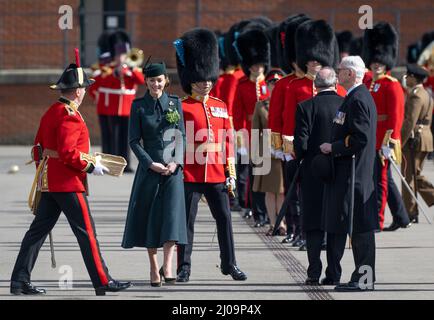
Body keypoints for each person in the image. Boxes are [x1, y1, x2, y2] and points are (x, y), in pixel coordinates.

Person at [10, 55, 131, 296]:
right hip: (68, 184)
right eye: (84, 88)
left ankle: (19, 280)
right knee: (87, 233)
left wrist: (45, 174)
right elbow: (67, 153)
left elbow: (38, 149)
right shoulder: (69, 115)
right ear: (77, 91)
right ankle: (102, 280)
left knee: (37, 232)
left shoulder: (52, 111)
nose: (85, 92)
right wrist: (90, 166)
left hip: (51, 182)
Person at [174, 28, 247, 283]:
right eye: (201, 79)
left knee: (225, 220)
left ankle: (230, 263)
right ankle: (184, 267)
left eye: (208, 79)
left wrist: (231, 175)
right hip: (191, 174)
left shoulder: (220, 106)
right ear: (191, 79)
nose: (206, 83)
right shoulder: (182, 107)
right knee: (187, 224)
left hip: (216, 173)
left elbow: (227, 142)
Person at [282, 19, 347, 248]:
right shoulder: (294, 86)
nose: (313, 63)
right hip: (306, 153)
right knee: (303, 198)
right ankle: (302, 232)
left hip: (333, 155)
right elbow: (290, 118)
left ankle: (328, 237)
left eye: (317, 59)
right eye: (309, 59)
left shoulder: (339, 90)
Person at [121, 62, 187, 287]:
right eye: (151, 80)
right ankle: (153, 265)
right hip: (149, 170)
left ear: (165, 80)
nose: (156, 84)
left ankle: (168, 265)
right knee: (150, 219)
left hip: (172, 170)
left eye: (159, 80)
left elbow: (181, 136)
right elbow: (133, 141)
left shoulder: (175, 103)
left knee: (171, 218)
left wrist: (176, 162)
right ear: (146, 82)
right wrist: (150, 164)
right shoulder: (138, 106)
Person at [320, 56, 378, 291]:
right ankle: (360, 277)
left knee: (361, 228)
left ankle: (364, 279)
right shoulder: (354, 97)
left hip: (356, 172)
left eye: (341, 70)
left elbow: (360, 137)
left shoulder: (357, 99)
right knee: (356, 225)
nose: (338, 73)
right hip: (351, 172)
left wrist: (333, 147)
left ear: (351, 74)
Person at [294, 67, 344, 285]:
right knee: (335, 222)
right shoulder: (344, 104)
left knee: (313, 223)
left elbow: (301, 144)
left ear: (315, 85)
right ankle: (334, 272)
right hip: (339, 170)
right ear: (335, 83)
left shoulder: (305, 107)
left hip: (313, 171)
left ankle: (314, 271)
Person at [362, 22, 410, 230]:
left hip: (383, 139)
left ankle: (378, 221)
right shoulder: (368, 83)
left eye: (380, 61)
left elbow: (395, 117)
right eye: (374, 61)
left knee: (380, 180)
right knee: (384, 179)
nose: (376, 64)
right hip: (370, 137)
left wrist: (389, 143)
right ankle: (401, 217)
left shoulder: (392, 85)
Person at [89, 30, 145, 173]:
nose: (121, 57)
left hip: (126, 108)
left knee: (125, 139)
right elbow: (98, 80)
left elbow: (141, 80)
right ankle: (108, 165)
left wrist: (128, 71)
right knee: (110, 138)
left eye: (123, 54)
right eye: (119, 54)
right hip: (109, 107)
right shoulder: (106, 67)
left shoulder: (132, 68)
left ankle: (124, 164)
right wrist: (115, 73)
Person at [251, 69, 286, 236]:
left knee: (282, 190)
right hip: (267, 151)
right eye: (272, 83)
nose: (275, 85)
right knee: (270, 190)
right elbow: (255, 131)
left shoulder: (288, 102)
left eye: (278, 82)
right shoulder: (261, 105)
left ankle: (283, 222)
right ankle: (273, 223)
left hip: (285, 149)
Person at [400, 64, 434, 221]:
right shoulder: (424, 93)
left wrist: (400, 141)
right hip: (424, 136)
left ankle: (410, 212)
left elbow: (409, 121)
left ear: (414, 77)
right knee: (415, 175)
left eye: (408, 76)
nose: (407, 78)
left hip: (416, 139)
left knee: (409, 177)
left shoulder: (416, 95)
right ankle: (412, 211)